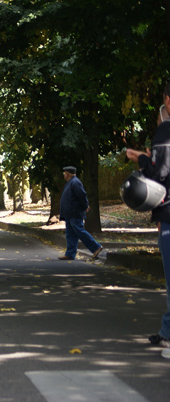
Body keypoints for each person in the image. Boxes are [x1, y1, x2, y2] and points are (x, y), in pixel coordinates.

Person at [127, 82, 170, 355]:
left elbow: (159, 174)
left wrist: (142, 160)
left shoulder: (166, 130)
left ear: (168, 100)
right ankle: (166, 331)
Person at [58, 166, 104, 261]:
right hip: (70, 213)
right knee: (70, 234)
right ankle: (70, 254)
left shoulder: (75, 182)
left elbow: (82, 195)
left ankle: (96, 247)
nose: (63, 175)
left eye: (64, 173)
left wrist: (85, 206)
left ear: (67, 174)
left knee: (79, 231)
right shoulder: (70, 183)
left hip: (75, 212)